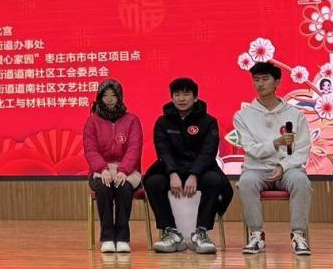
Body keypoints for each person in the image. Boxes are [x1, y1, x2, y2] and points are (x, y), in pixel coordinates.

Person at [144, 78, 233, 255]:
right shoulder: (162, 122)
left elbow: (208, 152)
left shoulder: (208, 121)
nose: (181, 98)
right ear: (172, 98)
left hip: (201, 168)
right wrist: (172, 173)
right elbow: (163, 151)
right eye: (177, 94)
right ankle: (171, 232)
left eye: (186, 94)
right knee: (153, 182)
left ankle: (201, 232)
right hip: (171, 169)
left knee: (214, 181)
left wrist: (194, 174)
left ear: (195, 97)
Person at [234, 62, 312, 256]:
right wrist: (276, 143)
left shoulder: (295, 114)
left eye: (265, 79)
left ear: (277, 82)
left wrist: (283, 166)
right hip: (256, 168)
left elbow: (302, 149)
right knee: (246, 182)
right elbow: (250, 149)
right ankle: (256, 235)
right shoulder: (243, 115)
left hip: (288, 169)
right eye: (256, 80)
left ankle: (298, 235)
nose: (260, 84)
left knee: (301, 181)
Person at [82, 79, 143, 254]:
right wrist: (103, 169)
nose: (109, 99)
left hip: (128, 171)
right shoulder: (92, 122)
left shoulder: (132, 120)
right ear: (99, 98)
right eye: (105, 95)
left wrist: (123, 171)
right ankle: (107, 237)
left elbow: (134, 148)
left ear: (119, 97)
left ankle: (122, 237)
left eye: (113, 95)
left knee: (123, 187)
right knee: (104, 187)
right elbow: (90, 150)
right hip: (101, 171)